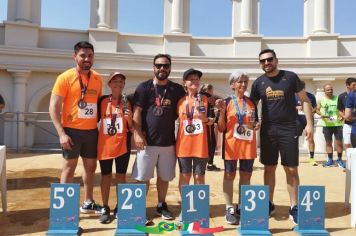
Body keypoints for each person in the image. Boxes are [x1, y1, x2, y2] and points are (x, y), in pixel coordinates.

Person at [250, 49, 313, 225]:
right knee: (269, 168)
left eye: (269, 59)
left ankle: (294, 207)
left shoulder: (290, 77)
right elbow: (252, 105)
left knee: (291, 169)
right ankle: (269, 204)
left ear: (276, 60)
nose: (266, 63)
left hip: (289, 129)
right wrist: (253, 120)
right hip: (268, 131)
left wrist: (309, 125)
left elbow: (305, 100)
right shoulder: (258, 83)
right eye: (262, 61)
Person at [49, 41, 103, 213]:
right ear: (75, 57)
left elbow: (98, 105)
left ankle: (88, 202)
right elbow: (53, 107)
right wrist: (61, 134)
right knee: (69, 167)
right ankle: (64, 209)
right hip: (71, 131)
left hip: (91, 131)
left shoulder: (97, 78)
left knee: (90, 167)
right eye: (83, 55)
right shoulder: (64, 77)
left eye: (90, 55)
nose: (87, 59)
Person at [131, 54, 186, 221]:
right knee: (143, 178)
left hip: (168, 143)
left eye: (166, 66)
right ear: (153, 67)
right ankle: (138, 209)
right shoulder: (143, 87)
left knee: (164, 177)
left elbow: (183, 112)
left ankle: (161, 205)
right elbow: (137, 112)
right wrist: (137, 134)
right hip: (147, 143)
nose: (162, 68)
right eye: (159, 65)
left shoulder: (177, 89)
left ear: (170, 68)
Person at [216, 71, 260, 225]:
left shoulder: (251, 102)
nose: (243, 85)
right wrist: (221, 112)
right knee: (229, 175)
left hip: (248, 145)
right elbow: (221, 128)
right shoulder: (227, 102)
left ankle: (242, 205)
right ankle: (229, 207)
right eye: (239, 82)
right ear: (232, 85)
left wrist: (256, 125)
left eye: (245, 82)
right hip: (231, 145)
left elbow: (254, 123)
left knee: (246, 175)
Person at [97, 72, 133, 224]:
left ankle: (121, 206)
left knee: (121, 176)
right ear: (109, 84)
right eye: (115, 81)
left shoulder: (127, 101)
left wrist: (129, 117)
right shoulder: (102, 101)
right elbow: (94, 121)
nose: (118, 83)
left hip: (122, 145)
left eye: (121, 81)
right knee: (105, 176)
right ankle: (105, 207)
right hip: (105, 146)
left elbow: (131, 127)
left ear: (124, 84)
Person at [176, 69, 214, 199]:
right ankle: (185, 207)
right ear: (184, 83)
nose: (194, 81)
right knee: (185, 176)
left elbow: (212, 120)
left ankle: (198, 207)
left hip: (201, 146)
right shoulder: (180, 101)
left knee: (199, 176)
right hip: (183, 146)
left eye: (196, 79)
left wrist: (205, 119)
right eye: (191, 79)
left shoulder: (206, 99)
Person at [316, 84, 345, 168]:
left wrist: (342, 117)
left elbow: (342, 110)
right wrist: (321, 114)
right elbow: (317, 110)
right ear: (324, 91)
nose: (330, 91)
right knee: (328, 143)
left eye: (331, 89)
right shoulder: (322, 100)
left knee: (339, 143)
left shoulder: (338, 99)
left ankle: (339, 160)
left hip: (337, 124)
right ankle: (330, 160)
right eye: (328, 89)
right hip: (326, 124)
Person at [199, 84, 221, 171]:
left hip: (209, 125)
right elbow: (204, 113)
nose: (212, 92)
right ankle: (208, 164)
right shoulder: (203, 98)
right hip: (206, 126)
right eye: (211, 90)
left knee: (212, 144)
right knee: (210, 145)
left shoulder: (206, 99)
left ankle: (209, 163)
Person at [295, 83, 317, 166]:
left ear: (305, 87)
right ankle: (294, 158)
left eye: (302, 87)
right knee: (294, 140)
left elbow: (315, 108)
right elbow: (288, 108)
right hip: (297, 120)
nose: (301, 89)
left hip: (309, 121)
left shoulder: (311, 96)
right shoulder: (293, 96)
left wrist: (310, 110)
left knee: (310, 139)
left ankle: (311, 159)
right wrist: (296, 108)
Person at [337, 77, 356, 149]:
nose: (355, 86)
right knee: (347, 143)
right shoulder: (341, 96)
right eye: (353, 85)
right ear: (347, 85)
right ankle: (349, 159)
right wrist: (345, 117)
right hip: (347, 124)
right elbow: (339, 110)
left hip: (355, 123)